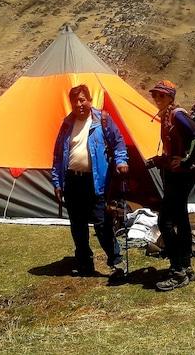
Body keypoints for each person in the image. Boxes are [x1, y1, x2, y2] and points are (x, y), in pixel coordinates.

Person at [51, 84, 129, 282]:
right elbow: (58, 155)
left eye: (82, 100)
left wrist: (121, 161)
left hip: (95, 182)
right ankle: (85, 263)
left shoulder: (101, 119)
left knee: (102, 224)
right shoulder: (67, 123)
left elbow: (118, 142)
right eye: (75, 101)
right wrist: (57, 182)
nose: (79, 104)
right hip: (71, 181)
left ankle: (117, 261)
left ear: (89, 100)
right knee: (77, 226)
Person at [147, 80, 195, 292]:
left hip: (181, 176)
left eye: (161, 96)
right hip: (176, 175)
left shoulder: (177, 114)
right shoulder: (167, 116)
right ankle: (187, 267)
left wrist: (186, 161)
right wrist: (159, 160)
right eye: (155, 95)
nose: (157, 99)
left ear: (171, 97)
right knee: (181, 219)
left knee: (165, 221)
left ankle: (177, 271)